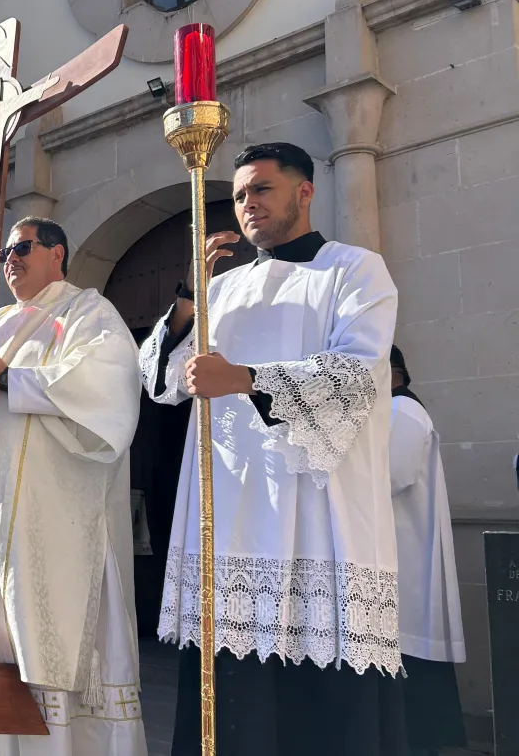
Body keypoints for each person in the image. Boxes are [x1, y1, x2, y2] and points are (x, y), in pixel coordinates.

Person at [139, 142, 404, 756]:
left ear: (305, 192)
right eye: (238, 195)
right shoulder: (222, 288)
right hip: (229, 512)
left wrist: (247, 378)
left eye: (261, 189)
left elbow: (360, 374)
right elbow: (162, 382)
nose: (247, 205)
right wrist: (189, 297)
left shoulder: (355, 269)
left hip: (316, 509)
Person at [0, 217, 148, 756]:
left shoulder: (86, 310)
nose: (10, 258)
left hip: (63, 525)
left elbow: (108, 387)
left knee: (58, 644)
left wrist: (7, 378)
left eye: (22, 247)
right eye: (4, 251)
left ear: (57, 253)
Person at [388, 346, 466, 756]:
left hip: (406, 560)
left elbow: (390, 474)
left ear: (392, 373)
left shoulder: (403, 411)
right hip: (395, 555)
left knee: (411, 669)